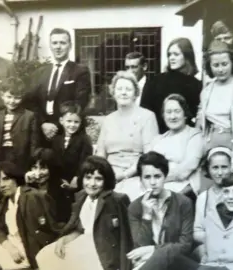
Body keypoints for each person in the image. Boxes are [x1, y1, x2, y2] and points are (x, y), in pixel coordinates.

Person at [35, 156, 133, 270]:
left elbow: (126, 237)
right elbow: (80, 228)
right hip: (84, 241)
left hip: (102, 249)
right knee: (44, 255)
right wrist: (64, 239)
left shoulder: (116, 200)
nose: (92, 184)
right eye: (88, 178)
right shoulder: (81, 197)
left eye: (98, 179)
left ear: (106, 180)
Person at [0, 161, 60, 270]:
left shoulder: (30, 197)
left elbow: (42, 232)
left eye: (6, 179)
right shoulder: (6, 200)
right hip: (12, 242)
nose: (2, 185)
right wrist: (9, 247)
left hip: (27, 247)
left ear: (15, 178)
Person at [95, 71, 159, 201]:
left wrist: (124, 175)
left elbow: (149, 156)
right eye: (119, 89)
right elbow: (100, 154)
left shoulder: (147, 116)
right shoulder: (108, 120)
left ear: (135, 93)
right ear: (113, 92)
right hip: (109, 175)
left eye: (128, 89)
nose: (123, 93)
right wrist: (105, 174)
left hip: (135, 175)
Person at [127, 151, 195, 270]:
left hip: (177, 262)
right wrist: (147, 215)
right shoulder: (134, 207)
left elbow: (185, 246)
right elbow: (140, 247)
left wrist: (154, 249)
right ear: (141, 180)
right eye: (147, 177)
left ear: (165, 177)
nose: (153, 182)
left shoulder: (183, 203)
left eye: (157, 176)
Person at [197, 40, 233, 176]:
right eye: (216, 65)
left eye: (224, 64)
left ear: (232, 63)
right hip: (211, 151)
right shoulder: (206, 91)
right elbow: (201, 126)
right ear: (209, 66)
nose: (221, 69)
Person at [24, 28, 91, 146]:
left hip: (68, 131)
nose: (58, 47)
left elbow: (80, 102)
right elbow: (31, 102)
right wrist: (43, 123)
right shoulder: (39, 72)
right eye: (54, 43)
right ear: (50, 45)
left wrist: (58, 125)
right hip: (42, 132)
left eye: (62, 43)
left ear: (70, 46)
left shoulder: (80, 71)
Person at [140, 37, 202, 134]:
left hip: (185, 137)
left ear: (187, 56)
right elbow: (144, 112)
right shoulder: (155, 81)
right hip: (158, 136)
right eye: (169, 54)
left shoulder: (197, 85)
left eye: (176, 54)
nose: (171, 58)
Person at [149, 94, 204, 201]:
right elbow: (148, 168)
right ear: (163, 115)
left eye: (177, 111)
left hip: (184, 189)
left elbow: (185, 170)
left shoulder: (194, 136)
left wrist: (158, 177)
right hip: (158, 187)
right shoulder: (158, 140)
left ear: (185, 114)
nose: (173, 116)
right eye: (168, 112)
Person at [0, 76, 39, 172]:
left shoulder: (29, 116)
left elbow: (34, 143)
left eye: (17, 98)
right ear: (2, 95)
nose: (12, 101)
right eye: (9, 97)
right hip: (1, 155)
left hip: (20, 158)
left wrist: (33, 163)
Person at [51, 101, 93, 192]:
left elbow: (85, 161)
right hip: (59, 180)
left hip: (76, 180)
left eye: (76, 122)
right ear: (61, 121)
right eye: (69, 121)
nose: (72, 125)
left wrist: (77, 177)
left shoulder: (84, 140)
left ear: (81, 122)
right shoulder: (56, 139)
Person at [24, 148, 70, 223]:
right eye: (34, 167)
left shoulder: (61, 188)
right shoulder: (27, 185)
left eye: (43, 168)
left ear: (52, 169)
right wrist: (26, 185)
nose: (37, 174)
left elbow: (62, 219)